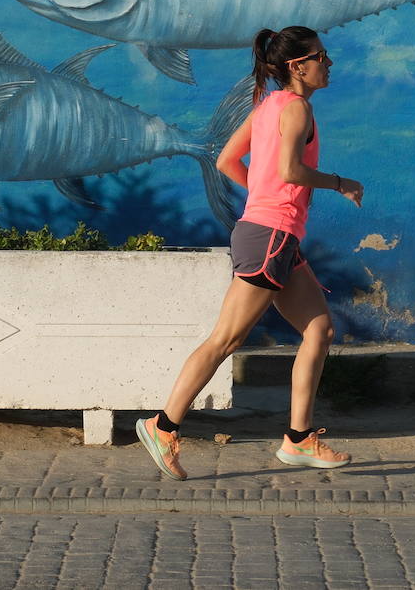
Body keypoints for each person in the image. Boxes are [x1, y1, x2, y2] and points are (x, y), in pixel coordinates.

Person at [136, 25, 364, 480]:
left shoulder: (267, 106)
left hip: (273, 235)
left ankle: (299, 439)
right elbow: (290, 170)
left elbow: (226, 161)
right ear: (298, 66)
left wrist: (263, 197)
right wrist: (340, 183)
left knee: (319, 331)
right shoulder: (295, 108)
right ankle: (163, 427)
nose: (329, 64)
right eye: (321, 57)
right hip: (270, 237)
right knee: (226, 339)